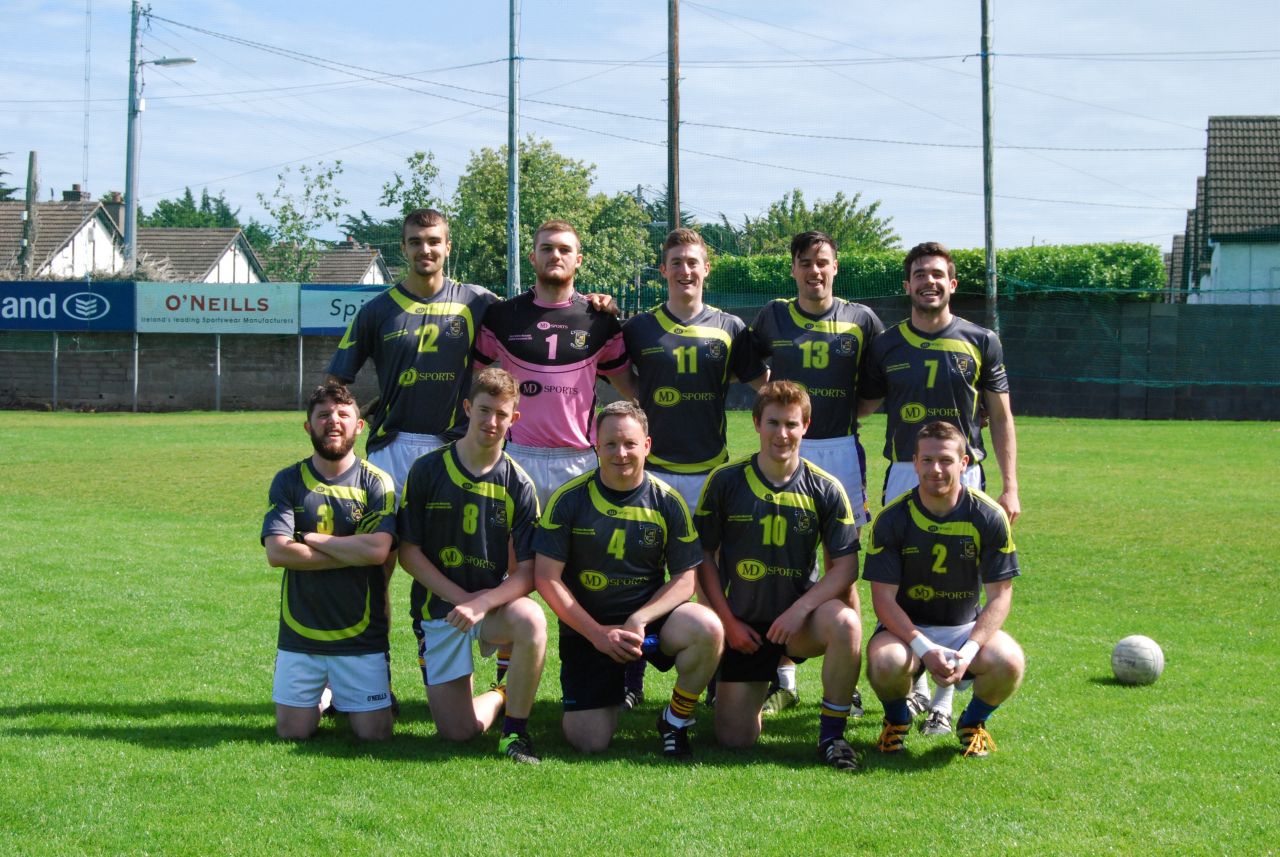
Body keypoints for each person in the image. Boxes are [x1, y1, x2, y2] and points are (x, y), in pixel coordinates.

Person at [859, 240, 1021, 735]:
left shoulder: (981, 339)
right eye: (919, 275)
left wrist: (1011, 486)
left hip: (964, 472)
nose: (929, 282)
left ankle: (946, 701)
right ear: (907, 285)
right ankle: (917, 686)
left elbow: (1000, 414)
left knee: (960, 581)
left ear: (951, 284)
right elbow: (859, 410)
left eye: (938, 275)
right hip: (905, 471)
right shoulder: (885, 344)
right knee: (904, 576)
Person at [619, 227, 767, 709]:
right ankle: (629, 676)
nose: (685, 270)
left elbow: (762, 383)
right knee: (640, 572)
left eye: (693, 262)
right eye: (676, 262)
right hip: (653, 471)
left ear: (707, 269)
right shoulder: (638, 328)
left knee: (714, 575)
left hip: (710, 472)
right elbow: (621, 378)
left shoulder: (731, 328)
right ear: (664, 270)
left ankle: (716, 673)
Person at [534, 401, 723, 758]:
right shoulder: (568, 500)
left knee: (707, 628)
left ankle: (676, 720)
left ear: (647, 445)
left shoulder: (668, 501)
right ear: (596, 446)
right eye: (611, 445)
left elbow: (686, 579)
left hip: (647, 628)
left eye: (630, 444)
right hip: (588, 629)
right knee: (588, 741)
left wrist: (640, 618)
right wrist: (597, 634)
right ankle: (600, 690)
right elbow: (546, 579)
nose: (621, 453)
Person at [695, 381, 863, 771]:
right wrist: (728, 623)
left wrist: (800, 610)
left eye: (791, 424)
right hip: (746, 628)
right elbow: (703, 557)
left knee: (846, 624)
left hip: (800, 624)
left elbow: (846, 567)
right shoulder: (725, 481)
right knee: (734, 741)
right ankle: (741, 686)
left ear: (806, 425)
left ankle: (832, 736)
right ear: (756, 423)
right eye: (773, 423)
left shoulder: (825, 487)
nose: (782, 434)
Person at [748, 231, 883, 716]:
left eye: (822, 262)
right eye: (805, 263)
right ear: (793, 268)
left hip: (840, 451)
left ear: (835, 266)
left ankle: (845, 684)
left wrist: (842, 418)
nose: (814, 271)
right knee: (781, 554)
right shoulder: (772, 316)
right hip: (786, 446)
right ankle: (781, 677)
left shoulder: (861, 319)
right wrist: (776, 404)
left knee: (842, 568)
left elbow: (874, 388)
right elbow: (748, 363)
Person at [396, 368, 546, 763]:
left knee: (531, 619)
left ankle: (515, 734)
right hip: (439, 612)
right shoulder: (427, 470)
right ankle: (500, 694)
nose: (491, 422)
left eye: (501, 414)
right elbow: (408, 552)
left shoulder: (519, 483)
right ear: (467, 408)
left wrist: (482, 604)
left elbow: (530, 571)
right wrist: (462, 600)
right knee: (458, 734)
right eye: (483, 410)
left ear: (515, 418)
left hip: (489, 609)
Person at [863, 421, 1025, 758]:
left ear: (964, 463)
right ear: (915, 462)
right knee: (884, 662)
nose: (936, 469)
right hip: (906, 633)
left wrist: (967, 652)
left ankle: (973, 723)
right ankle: (896, 721)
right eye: (927, 460)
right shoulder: (892, 519)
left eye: (946, 460)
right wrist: (924, 648)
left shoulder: (988, 516)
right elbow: (883, 600)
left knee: (1009, 661)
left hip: (964, 628)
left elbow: (1000, 596)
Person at [261, 383, 397, 741]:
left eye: (342, 415)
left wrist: (314, 539)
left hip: (360, 635)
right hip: (300, 633)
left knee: (375, 735)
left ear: (359, 426)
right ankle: (324, 694)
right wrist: (352, 551)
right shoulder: (288, 480)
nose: (332, 422)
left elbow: (378, 551)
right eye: (323, 415)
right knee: (293, 732)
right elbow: (277, 553)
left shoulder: (377, 483)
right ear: (308, 426)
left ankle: (339, 689)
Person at [326, 208, 498, 490]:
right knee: (385, 534)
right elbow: (335, 380)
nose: (425, 249)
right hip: (392, 445)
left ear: (448, 247)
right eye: (416, 242)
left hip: (455, 443)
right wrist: (349, 417)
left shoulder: (477, 301)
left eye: (433, 241)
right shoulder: (377, 310)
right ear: (404, 248)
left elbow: (530, 319)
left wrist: (589, 302)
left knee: (448, 535)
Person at [476, 220, 638, 511]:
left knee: (577, 554)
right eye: (547, 248)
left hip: (579, 459)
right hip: (518, 455)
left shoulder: (599, 319)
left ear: (578, 260)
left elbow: (631, 389)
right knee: (515, 553)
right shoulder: (502, 316)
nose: (555, 255)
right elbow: (470, 376)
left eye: (565, 249)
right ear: (533, 257)